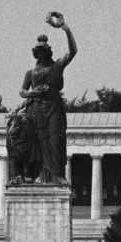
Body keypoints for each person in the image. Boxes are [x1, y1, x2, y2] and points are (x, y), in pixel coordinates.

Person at [18, 12, 77, 184]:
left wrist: (65, 28)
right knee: (36, 141)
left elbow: (73, 51)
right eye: (38, 52)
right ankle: (36, 175)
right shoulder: (31, 72)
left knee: (55, 140)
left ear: (48, 52)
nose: (40, 54)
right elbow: (22, 91)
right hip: (36, 109)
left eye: (43, 51)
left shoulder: (57, 65)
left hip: (53, 108)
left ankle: (57, 174)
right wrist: (33, 93)